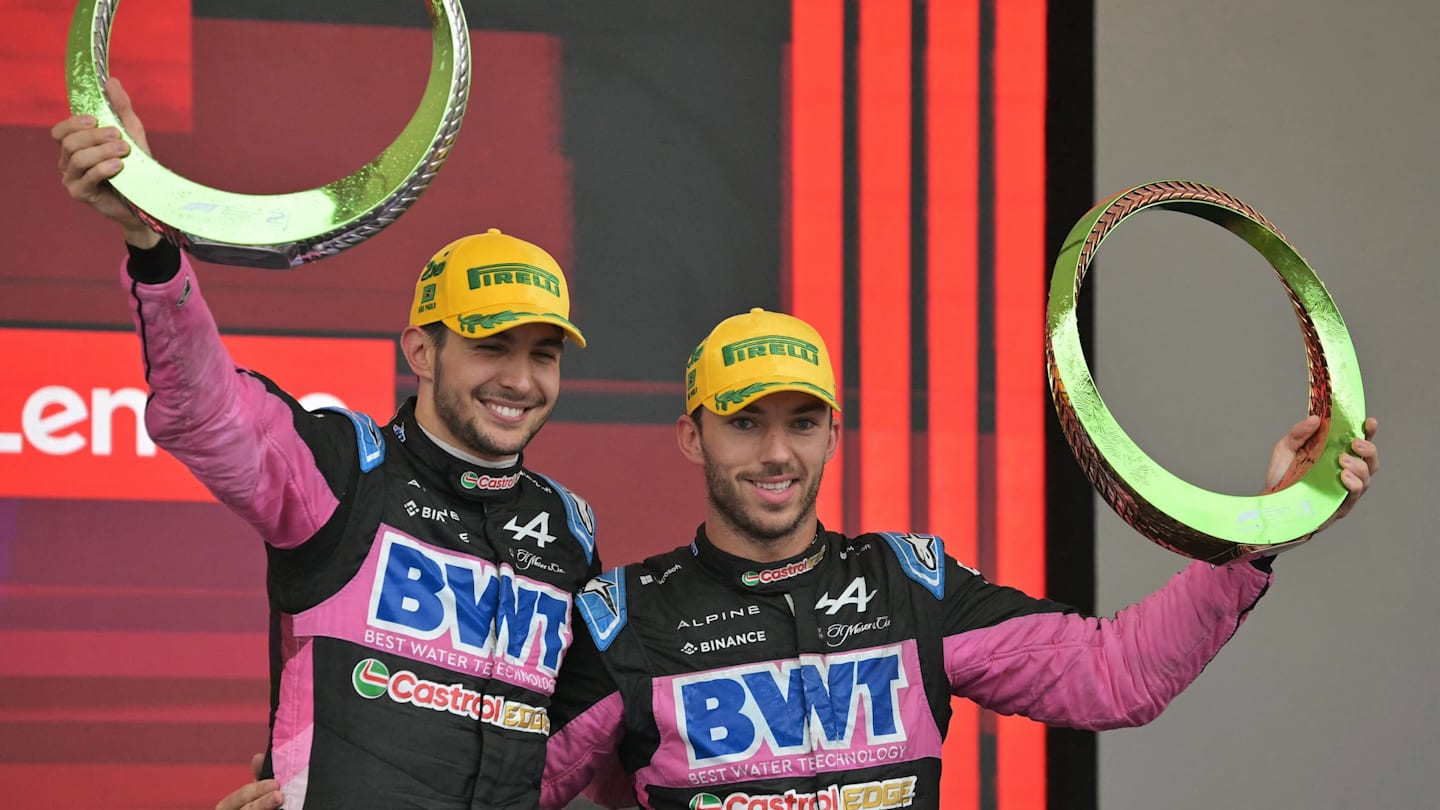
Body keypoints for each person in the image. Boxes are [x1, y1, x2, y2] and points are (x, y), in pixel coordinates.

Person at [536, 307, 1379, 809]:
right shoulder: (626, 616)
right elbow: (505, 785)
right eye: (744, 422)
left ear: (833, 432)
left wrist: (1258, 531)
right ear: (693, 436)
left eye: (801, 422)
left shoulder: (907, 584)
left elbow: (1115, 676)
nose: (775, 454)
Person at [54, 78, 602, 809]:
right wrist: (151, 244)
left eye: (544, 354)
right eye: (491, 346)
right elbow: (208, 414)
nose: (520, 379)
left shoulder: (568, 528)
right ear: (422, 351)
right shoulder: (345, 467)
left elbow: (581, 740)